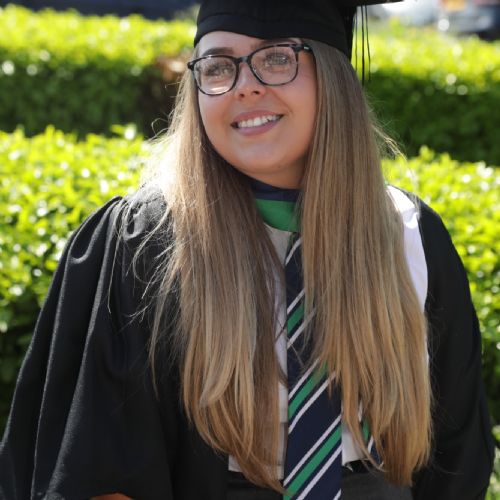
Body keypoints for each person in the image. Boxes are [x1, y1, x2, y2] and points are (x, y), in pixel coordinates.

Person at [0, 0, 495, 499]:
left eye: (277, 58)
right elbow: (100, 469)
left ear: (334, 77)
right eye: (217, 66)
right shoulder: (147, 242)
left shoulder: (412, 233)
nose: (245, 86)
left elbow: (458, 458)